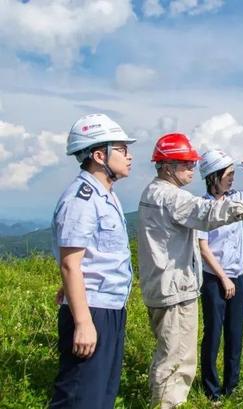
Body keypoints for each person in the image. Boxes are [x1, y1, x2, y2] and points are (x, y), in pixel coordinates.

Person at [137, 133, 243, 408]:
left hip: (167, 286)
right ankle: (167, 403)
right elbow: (209, 214)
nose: (191, 169)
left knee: (174, 354)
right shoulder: (172, 198)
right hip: (175, 288)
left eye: (192, 163)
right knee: (174, 358)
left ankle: (182, 397)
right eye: (186, 163)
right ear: (166, 166)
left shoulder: (154, 193)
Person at [50, 113, 136, 408]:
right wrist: (83, 322)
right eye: (122, 149)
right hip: (93, 311)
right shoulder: (82, 198)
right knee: (79, 397)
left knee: (101, 395)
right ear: (100, 155)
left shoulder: (106, 194)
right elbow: (69, 263)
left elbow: (87, 257)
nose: (130, 156)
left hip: (110, 307)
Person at [197, 150, 243, 401]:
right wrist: (224, 278)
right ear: (213, 177)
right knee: (214, 333)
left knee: (235, 333)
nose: (232, 179)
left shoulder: (236, 198)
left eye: (233, 174)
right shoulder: (203, 206)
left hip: (239, 275)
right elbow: (203, 248)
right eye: (228, 175)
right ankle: (211, 390)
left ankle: (231, 387)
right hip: (215, 279)